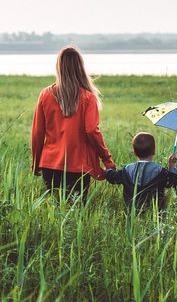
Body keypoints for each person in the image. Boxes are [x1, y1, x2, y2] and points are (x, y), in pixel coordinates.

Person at [30, 47, 115, 196]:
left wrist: (36, 162)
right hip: (78, 166)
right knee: (77, 213)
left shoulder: (45, 94)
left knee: (56, 212)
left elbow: (37, 133)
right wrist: (107, 160)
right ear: (80, 68)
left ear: (59, 68)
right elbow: (91, 131)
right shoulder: (88, 98)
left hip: (50, 164)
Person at [103, 132, 177, 210]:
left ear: (134, 153)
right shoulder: (160, 171)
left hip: (131, 212)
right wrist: (171, 164)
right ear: (154, 151)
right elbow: (172, 182)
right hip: (154, 214)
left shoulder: (127, 170)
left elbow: (113, 178)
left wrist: (107, 171)